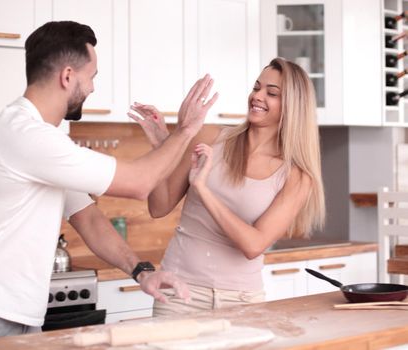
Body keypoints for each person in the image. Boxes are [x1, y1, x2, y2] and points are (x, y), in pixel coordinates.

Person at [0, 21, 218, 345]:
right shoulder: (26, 135)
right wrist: (185, 131)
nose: (92, 88)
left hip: (9, 311)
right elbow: (141, 183)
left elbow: (87, 218)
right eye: (92, 77)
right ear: (68, 76)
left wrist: (141, 271)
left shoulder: (45, 140)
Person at [128, 57, 325, 316]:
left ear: (293, 106)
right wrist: (161, 146)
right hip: (179, 292)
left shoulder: (297, 176)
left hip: (242, 299)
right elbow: (159, 206)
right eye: (256, 87)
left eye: (271, 92)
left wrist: (204, 190)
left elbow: (253, 245)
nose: (257, 96)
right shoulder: (211, 138)